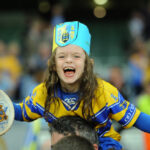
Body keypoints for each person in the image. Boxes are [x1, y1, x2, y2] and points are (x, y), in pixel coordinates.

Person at [12, 21, 150, 150]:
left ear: (88, 64)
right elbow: (20, 112)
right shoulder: (44, 92)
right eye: (62, 57)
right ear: (53, 64)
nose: (69, 61)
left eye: (76, 56)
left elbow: (136, 118)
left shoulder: (104, 92)